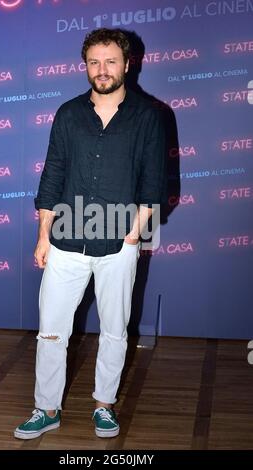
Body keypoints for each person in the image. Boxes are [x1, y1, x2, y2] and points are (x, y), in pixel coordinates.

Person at [14, 28, 166, 440]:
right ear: (85, 66)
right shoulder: (68, 114)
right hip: (65, 241)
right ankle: (46, 408)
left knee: (115, 330)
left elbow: (154, 183)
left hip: (120, 243)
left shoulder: (149, 116)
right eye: (94, 62)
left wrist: (133, 235)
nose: (102, 70)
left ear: (127, 63)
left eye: (110, 61)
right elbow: (52, 177)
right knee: (50, 330)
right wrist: (43, 236)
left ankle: (104, 405)